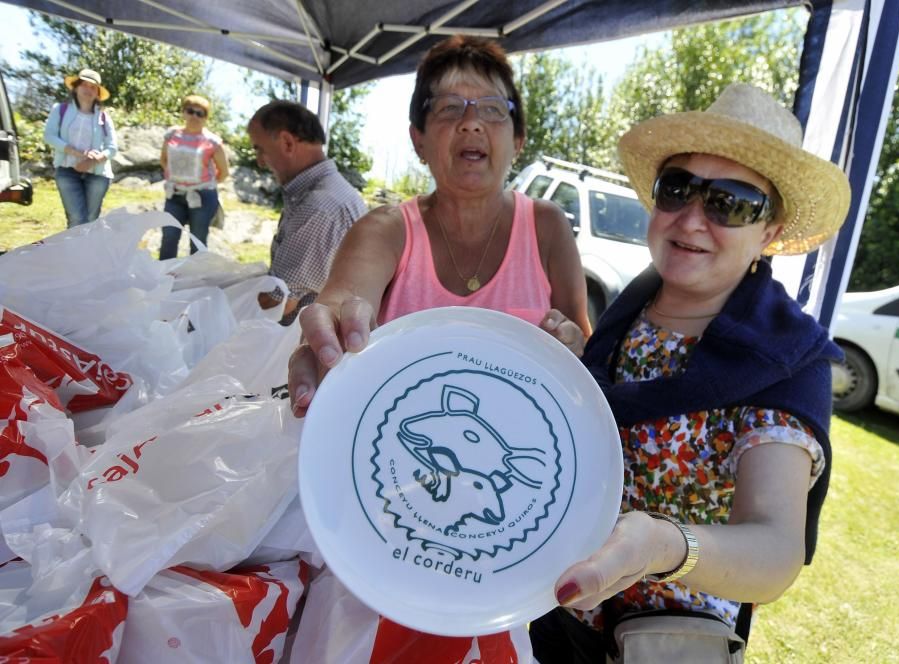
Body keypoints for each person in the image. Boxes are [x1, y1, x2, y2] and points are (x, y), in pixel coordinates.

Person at [286, 34, 590, 660]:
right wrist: (330, 325)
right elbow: (344, 298)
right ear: (419, 137)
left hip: (503, 525)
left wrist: (567, 343)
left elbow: (579, 342)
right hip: (387, 507)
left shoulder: (550, 228)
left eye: (492, 109)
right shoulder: (387, 228)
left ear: (518, 137)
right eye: (448, 108)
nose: (471, 122)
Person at [531, 83, 852, 663]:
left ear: (770, 232)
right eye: (677, 189)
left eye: (730, 202)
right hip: (553, 615)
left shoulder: (784, 358)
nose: (693, 218)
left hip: (662, 645)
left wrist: (660, 545)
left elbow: (776, 551)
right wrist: (578, 365)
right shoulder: (633, 308)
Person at [247, 100, 367, 325]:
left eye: (259, 149)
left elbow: (279, 304)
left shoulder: (317, 207)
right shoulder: (324, 193)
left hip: (300, 346)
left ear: (287, 143)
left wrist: (221, 302)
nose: (260, 162)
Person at [43, 68, 117, 227]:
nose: (88, 89)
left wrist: (93, 160)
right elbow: (49, 136)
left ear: (97, 93)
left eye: (92, 87)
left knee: (91, 220)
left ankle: (88, 251)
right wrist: (75, 152)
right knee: (76, 219)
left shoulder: (104, 117)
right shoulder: (60, 110)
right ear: (75, 87)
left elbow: (112, 148)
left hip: (97, 174)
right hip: (67, 170)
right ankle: (74, 252)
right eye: (84, 84)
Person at [159, 94, 230, 259]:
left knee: (197, 241)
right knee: (169, 236)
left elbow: (223, 172)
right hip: (174, 194)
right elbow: (163, 160)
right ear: (183, 113)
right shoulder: (171, 135)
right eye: (190, 111)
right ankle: (163, 278)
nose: (194, 116)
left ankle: (195, 280)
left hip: (202, 197)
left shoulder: (213, 142)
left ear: (206, 118)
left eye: (200, 113)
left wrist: (203, 184)